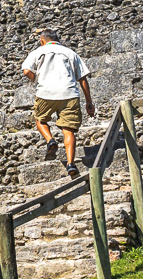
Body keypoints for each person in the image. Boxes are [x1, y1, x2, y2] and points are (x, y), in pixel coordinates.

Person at [20, 28, 94, 174]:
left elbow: (26, 70)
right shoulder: (70, 53)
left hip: (45, 92)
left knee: (40, 120)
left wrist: (36, 79)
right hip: (69, 93)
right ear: (57, 39)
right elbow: (83, 78)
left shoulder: (37, 52)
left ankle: (50, 140)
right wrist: (89, 102)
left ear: (42, 40)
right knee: (68, 130)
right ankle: (71, 164)